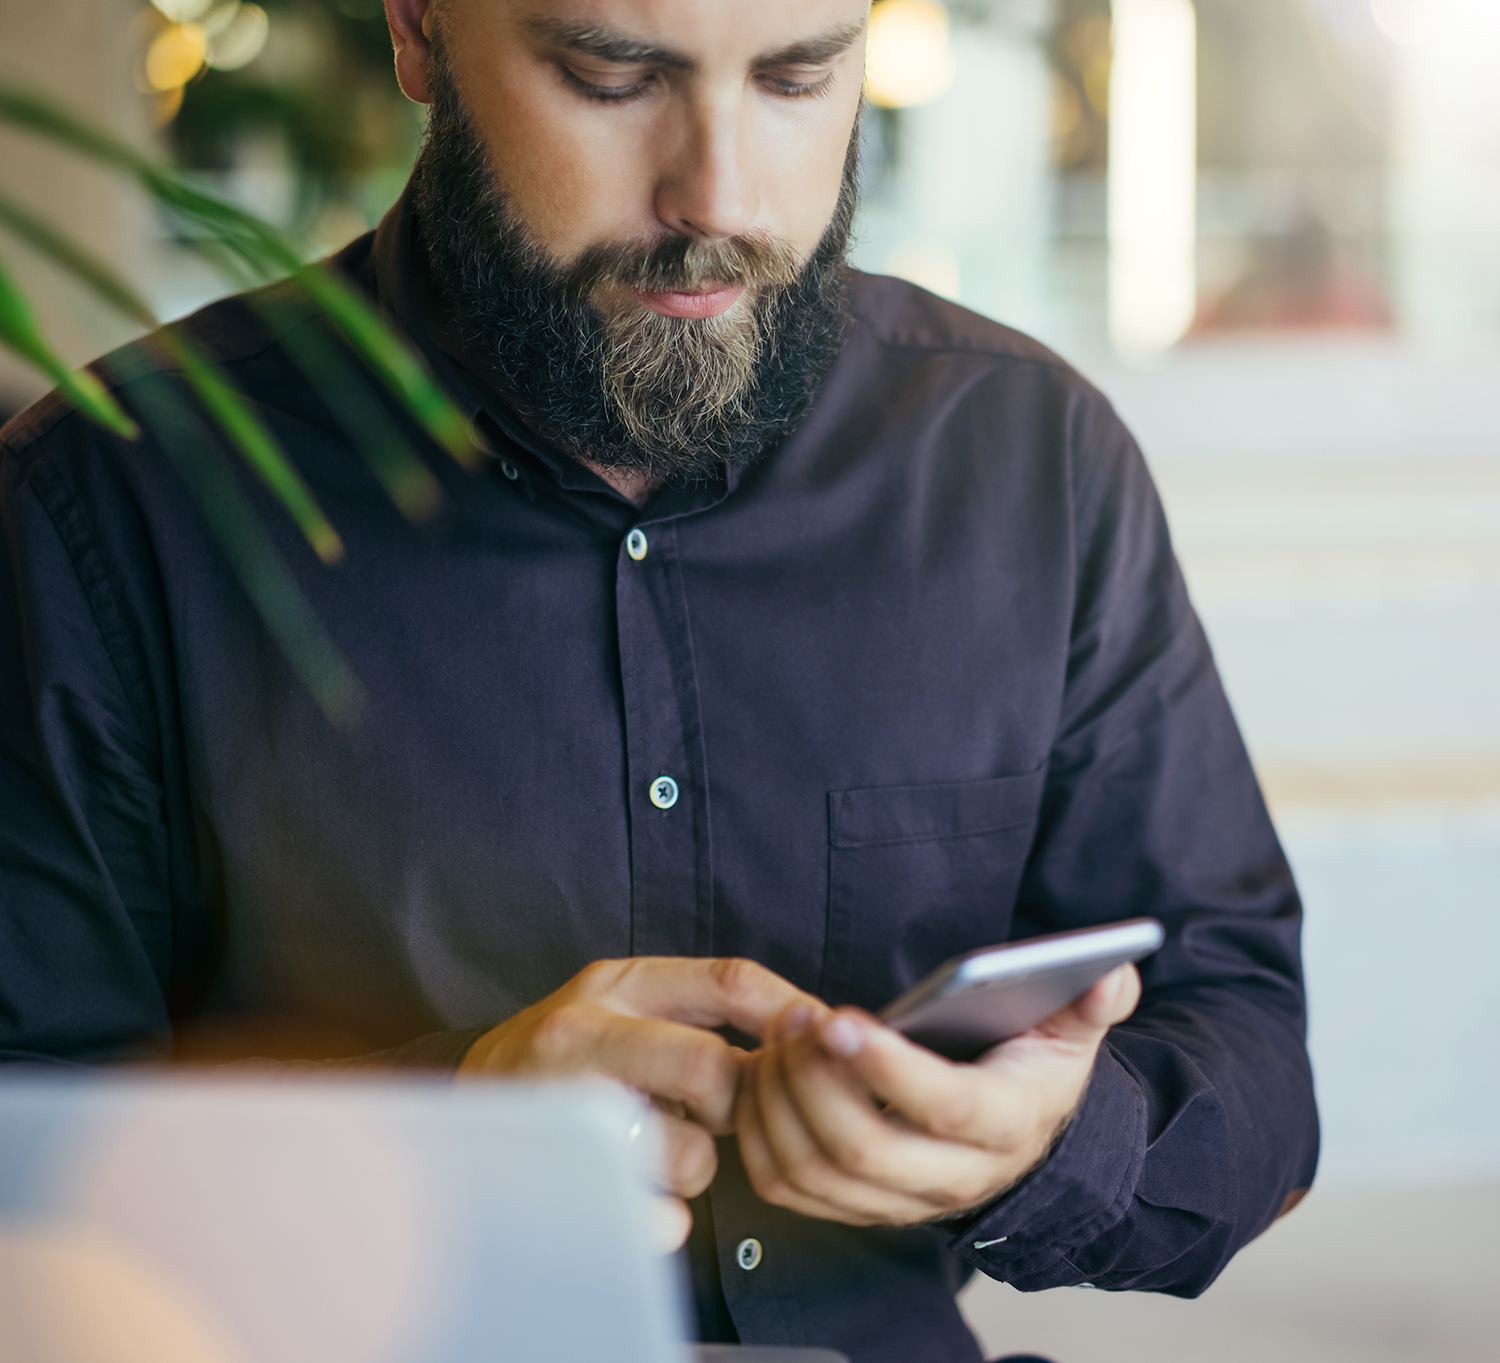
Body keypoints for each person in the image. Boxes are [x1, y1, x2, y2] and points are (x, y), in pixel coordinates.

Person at [0, 2, 1318, 1360]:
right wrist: (442, 1131)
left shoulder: (1035, 465)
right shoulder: (105, 511)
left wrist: (1050, 1144)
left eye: (800, 78)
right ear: (416, 32)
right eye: (613, 78)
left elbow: (1251, 1061)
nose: (721, 195)